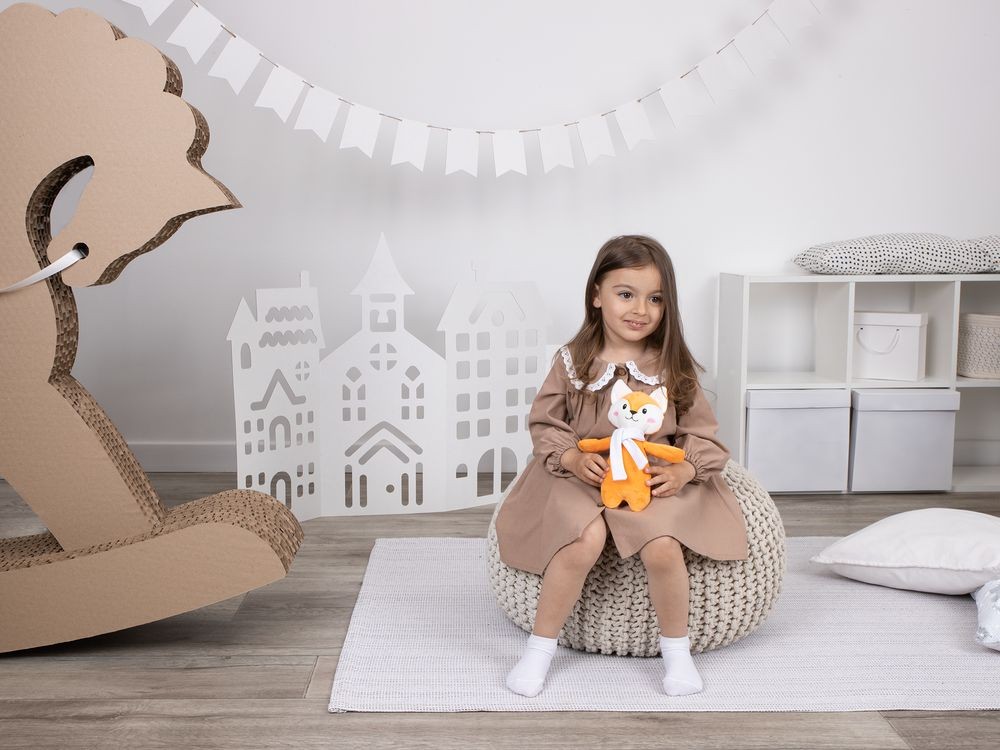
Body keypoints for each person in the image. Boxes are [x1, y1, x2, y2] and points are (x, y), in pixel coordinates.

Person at [496, 235, 748, 698]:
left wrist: (685, 470)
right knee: (581, 541)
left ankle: (677, 653)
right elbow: (546, 423)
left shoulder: (672, 365)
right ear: (597, 295)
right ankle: (539, 649)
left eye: (655, 299)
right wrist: (571, 457)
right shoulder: (573, 361)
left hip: (649, 475)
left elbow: (701, 431)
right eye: (626, 294)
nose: (641, 310)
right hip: (584, 473)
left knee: (663, 546)